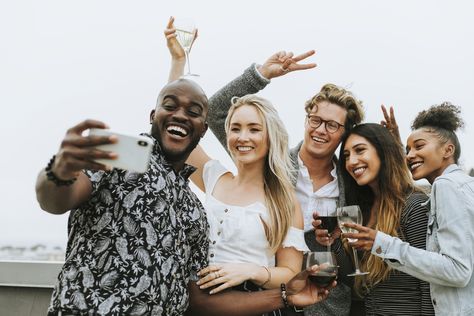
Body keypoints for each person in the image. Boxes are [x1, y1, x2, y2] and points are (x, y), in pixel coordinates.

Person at [35, 78, 334, 315]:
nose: (243, 137)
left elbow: (196, 297)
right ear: (153, 114)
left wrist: (279, 291)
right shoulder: (123, 153)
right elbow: (55, 201)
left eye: (254, 129)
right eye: (235, 128)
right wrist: (59, 171)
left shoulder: (193, 209)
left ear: (203, 129)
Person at [345, 103, 474, 315]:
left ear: (448, 150)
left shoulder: (445, 186)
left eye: (419, 146)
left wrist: (382, 243)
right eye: (407, 150)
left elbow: (458, 271)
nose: (410, 155)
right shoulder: (463, 185)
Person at [331, 123, 434, 315]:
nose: (351, 162)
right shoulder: (363, 209)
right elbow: (355, 282)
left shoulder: (414, 205)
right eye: (346, 156)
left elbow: (429, 281)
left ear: (383, 152)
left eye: (360, 150)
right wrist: (335, 242)